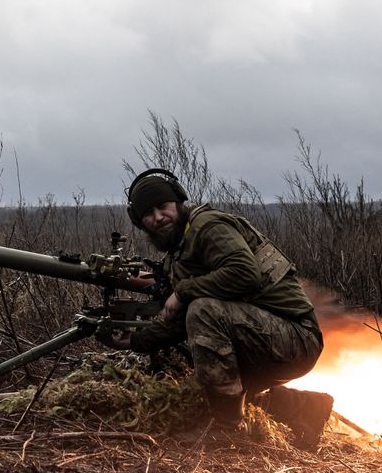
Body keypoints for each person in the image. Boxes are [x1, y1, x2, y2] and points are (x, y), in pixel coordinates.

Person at [102, 168, 333, 449]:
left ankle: (229, 431)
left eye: (163, 206)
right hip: (264, 339)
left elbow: (244, 273)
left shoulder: (208, 227)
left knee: (204, 311)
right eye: (148, 214)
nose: (158, 217)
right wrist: (136, 340)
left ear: (178, 202)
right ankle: (306, 410)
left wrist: (183, 291)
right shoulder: (178, 252)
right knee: (207, 378)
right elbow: (178, 320)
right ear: (140, 222)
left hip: (295, 337)